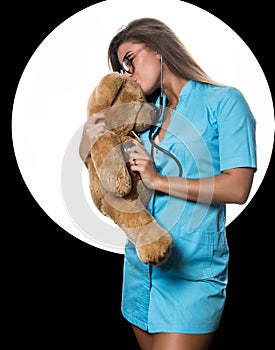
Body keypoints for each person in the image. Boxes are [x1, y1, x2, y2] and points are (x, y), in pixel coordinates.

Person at [79, 18, 257, 350]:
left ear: (159, 48)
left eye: (130, 59)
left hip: (191, 278)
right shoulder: (144, 118)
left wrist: (159, 180)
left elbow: (238, 187)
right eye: (122, 68)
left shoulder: (225, 102)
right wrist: (89, 145)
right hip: (139, 275)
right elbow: (112, 184)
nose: (127, 73)